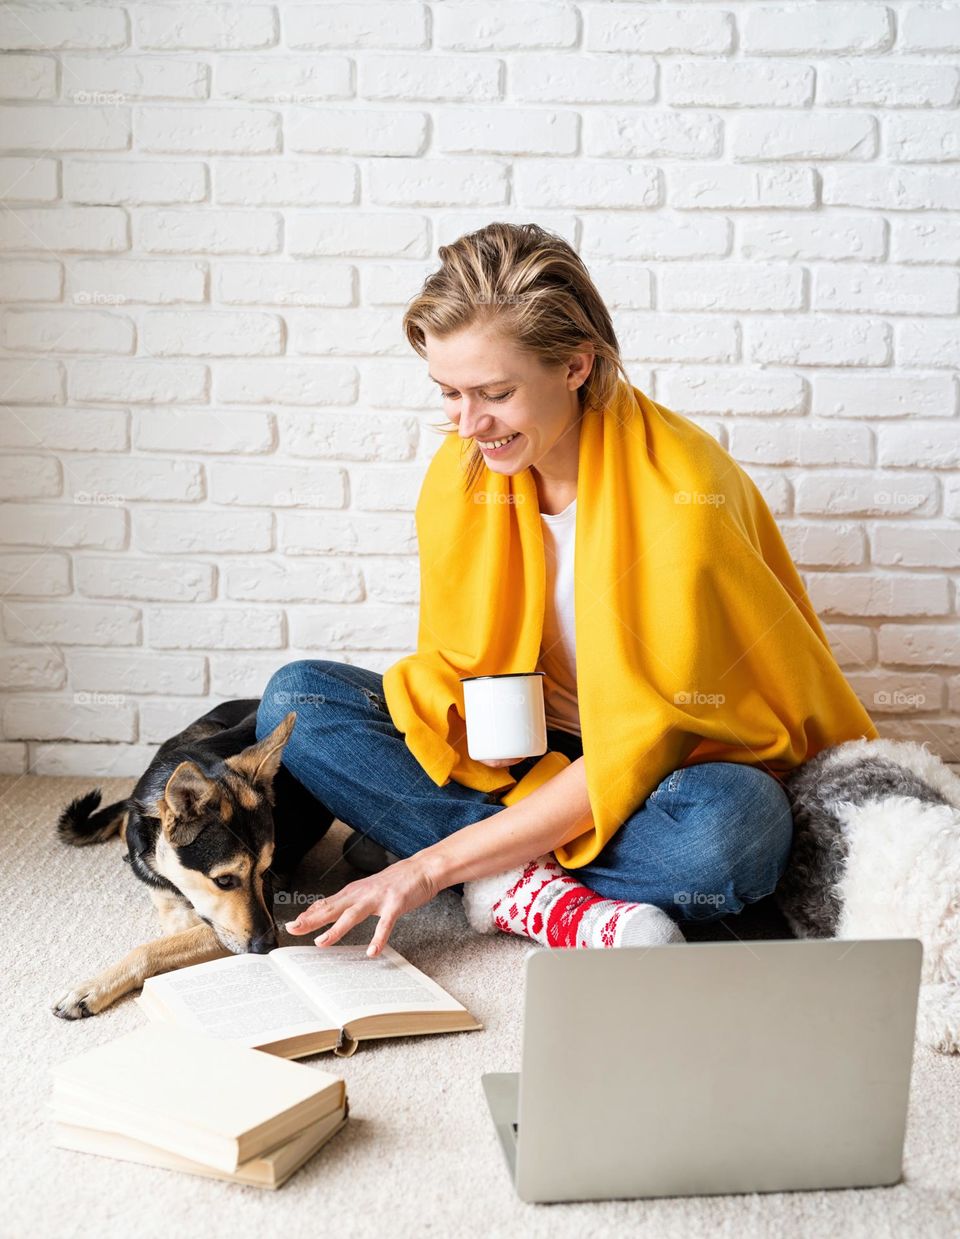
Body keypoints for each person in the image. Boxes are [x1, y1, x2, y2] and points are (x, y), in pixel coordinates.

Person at [255, 222, 879, 959]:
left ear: (577, 364)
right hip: (525, 748)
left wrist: (428, 866)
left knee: (734, 837)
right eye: (449, 393)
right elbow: (456, 683)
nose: (469, 423)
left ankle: (473, 862)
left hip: (669, 770)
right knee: (300, 698)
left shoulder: (685, 496)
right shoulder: (465, 475)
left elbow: (640, 746)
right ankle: (550, 895)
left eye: (495, 392)